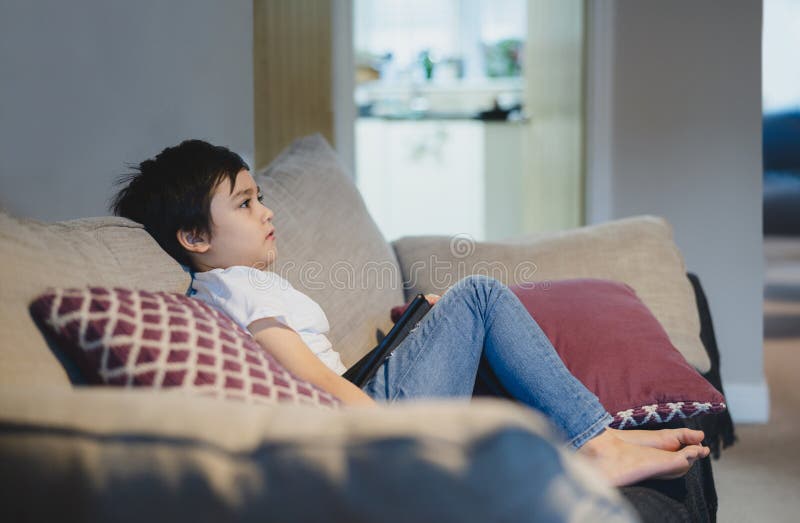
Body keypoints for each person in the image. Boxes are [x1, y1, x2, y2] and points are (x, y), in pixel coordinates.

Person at [111, 139, 710, 487]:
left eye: (260, 196)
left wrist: (411, 334)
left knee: (450, 308)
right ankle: (596, 445)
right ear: (194, 235)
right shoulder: (236, 287)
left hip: (365, 401)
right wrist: (387, 430)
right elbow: (311, 377)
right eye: (245, 203)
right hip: (367, 423)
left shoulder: (234, 284)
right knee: (478, 295)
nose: (266, 212)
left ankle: (589, 440)